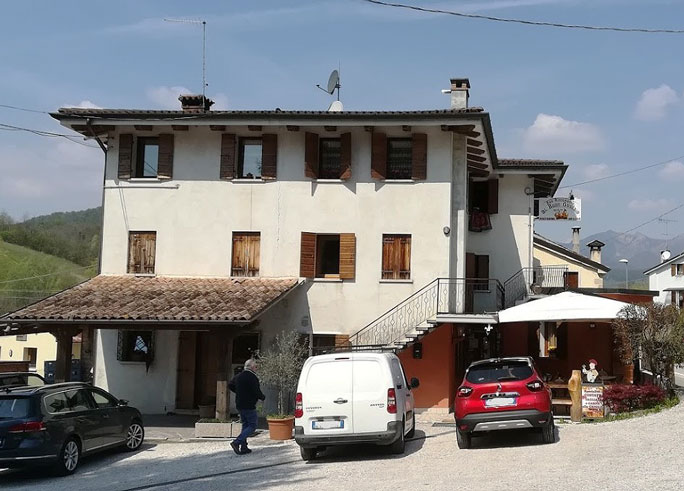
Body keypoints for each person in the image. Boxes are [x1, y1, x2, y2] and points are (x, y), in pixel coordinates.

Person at [228, 358, 265, 455]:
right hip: (249, 404)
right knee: (252, 425)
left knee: (245, 425)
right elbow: (256, 391)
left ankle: (244, 447)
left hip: (239, 403)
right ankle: (237, 442)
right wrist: (262, 397)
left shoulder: (239, 376)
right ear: (252, 367)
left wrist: (239, 392)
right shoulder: (252, 377)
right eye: (256, 366)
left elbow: (230, 384)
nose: (256, 368)